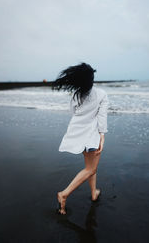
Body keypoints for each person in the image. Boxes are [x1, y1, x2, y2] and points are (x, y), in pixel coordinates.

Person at [52, 62, 109, 215]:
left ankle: (93, 193)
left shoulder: (76, 95)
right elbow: (102, 117)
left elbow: (73, 112)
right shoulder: (101, 94)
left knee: (90, 167)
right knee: (91, 168)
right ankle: (63, 194)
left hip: (77, 133)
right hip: (91, 135)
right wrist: (102, 136)